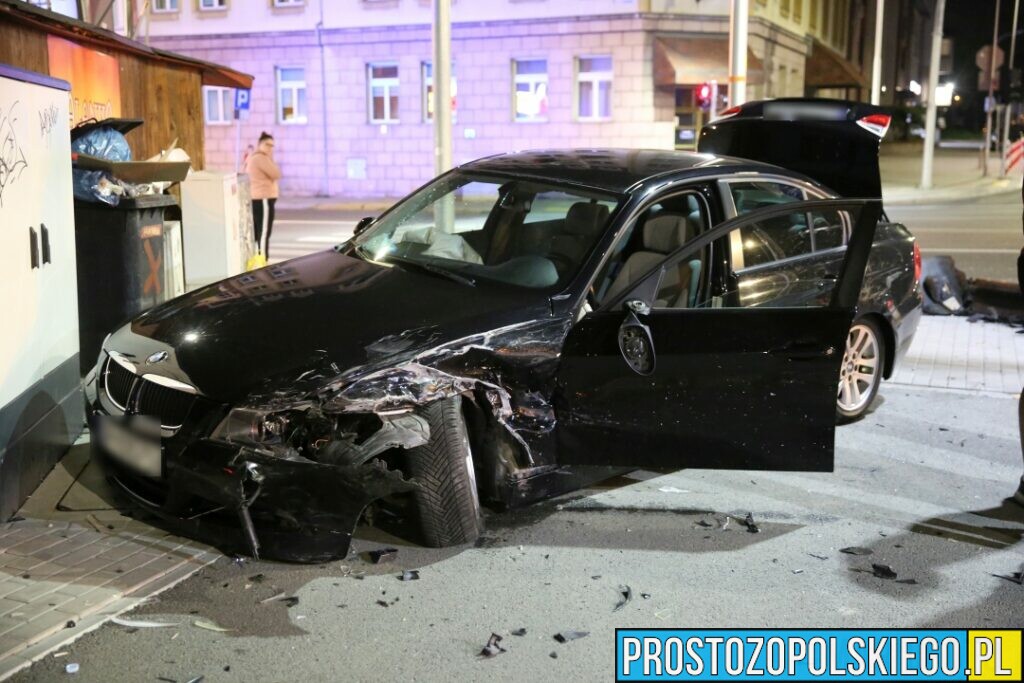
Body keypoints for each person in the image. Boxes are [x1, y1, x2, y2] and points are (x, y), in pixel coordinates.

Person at [245, 132, 282, 259]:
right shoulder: (261, 158)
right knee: (264, 232)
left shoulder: (257, 157)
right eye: (267, 144)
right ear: (260, 144)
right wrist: (270, 159)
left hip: (260, 198)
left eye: (272, 146)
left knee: (259, 231)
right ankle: (262, 260)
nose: (270, 148)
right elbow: (276, 174)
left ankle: (259, 258)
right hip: (263, 199)